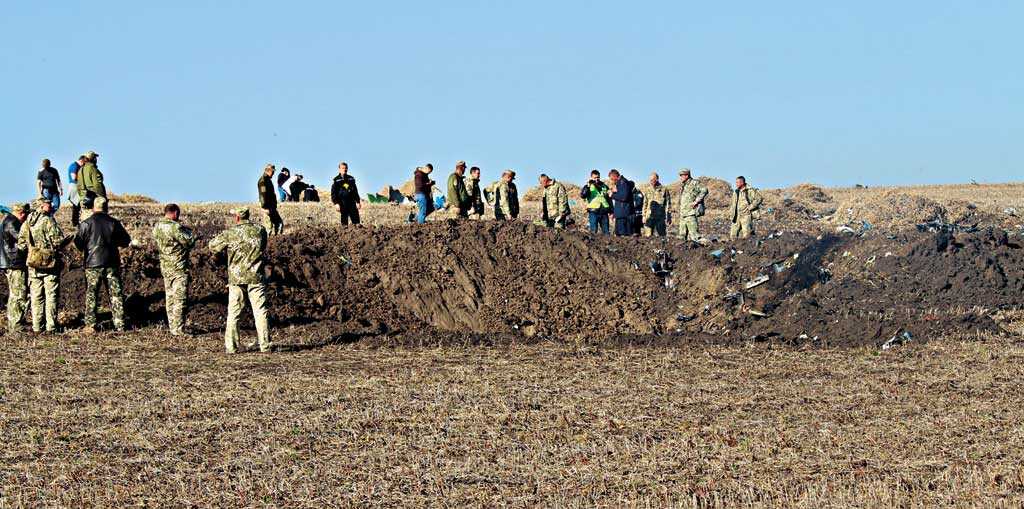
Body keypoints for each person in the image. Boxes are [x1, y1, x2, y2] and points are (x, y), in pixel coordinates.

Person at [208, 207, 272, 353]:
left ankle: (231, 347)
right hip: (256, 276)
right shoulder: (260, 230)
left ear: (237, 217)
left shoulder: (230, 233)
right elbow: (263, 246)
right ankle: (265, 345)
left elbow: (212, 245)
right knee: (261, 311)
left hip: (236, 278)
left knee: (234, 312)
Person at [74, 197, 132, 333]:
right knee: (116, 294)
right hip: (112, 263)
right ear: (106, 208)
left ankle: (90, 324)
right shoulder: (114, 223)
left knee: (92, 294)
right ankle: (120, 324)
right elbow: (125, 241)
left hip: (93, 264)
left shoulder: (86, 224)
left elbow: (78, 243)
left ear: (94, 207)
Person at [17, 199, 67, 333]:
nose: (50, 205)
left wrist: (31, 249)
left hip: (33, 264)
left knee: (36, 296)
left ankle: (37, 326)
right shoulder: (48, 220)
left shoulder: (27, 222)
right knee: (51, 295)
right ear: (41, 206)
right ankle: (51, 326)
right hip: (49, 264)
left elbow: (21, 245)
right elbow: (58, 241)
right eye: (48, 203)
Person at [152, 203, 196, 336]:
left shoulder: (157, 226)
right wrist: (190, 233)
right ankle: (178, 329)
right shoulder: (176, 227)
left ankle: (172, 327)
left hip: (165, 268)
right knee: (180, 299)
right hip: (178, 268)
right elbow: (189, 242)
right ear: (175, 213)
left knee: (170, 298)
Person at [1, 203, 29, 334]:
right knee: (18, 295)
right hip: (15, 263)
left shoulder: (6, 220)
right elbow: (21, 239)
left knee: (14, 294)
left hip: (10, 262)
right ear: (22, 213)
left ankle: (14, 323)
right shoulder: (12, 222)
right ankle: (16, 325)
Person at [676, 168, 708, 241]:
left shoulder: (694, 183)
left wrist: (696, 201)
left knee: (695, 236)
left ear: (687, 175)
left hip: (690, 213)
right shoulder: (683, 186)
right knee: (681, 237)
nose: (680, 177)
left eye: (682, 175)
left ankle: (705, 248)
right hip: (683, 214)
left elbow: (704, 190)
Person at [77, 151, 106, 222]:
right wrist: (102, 198)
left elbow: (79, 186)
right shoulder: (93, 169)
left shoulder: (80, 170)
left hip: (83, 199)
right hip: (94, 200)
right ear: (93, 159)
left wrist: (82, 197)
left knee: (85, 221)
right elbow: (97, 185)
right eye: (95, 157)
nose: (96, 159)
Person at [580, 170, 611, 234]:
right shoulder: (588, 186)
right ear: (591, 177)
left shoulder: (604, 186)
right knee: (593, 231)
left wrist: (611, 210)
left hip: (604, 211)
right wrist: (588, 186)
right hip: (594, 211)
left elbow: (608, 198)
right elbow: (583, 195)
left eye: (598, 177)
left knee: (606, 232)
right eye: (595, 178)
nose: (597, 179)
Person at [641, 172, 671, 237]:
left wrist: (669, 216)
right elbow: (645, 203)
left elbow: (668, 204)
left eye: (652, 179)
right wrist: (643, 216)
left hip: (660, 217)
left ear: (657, 179)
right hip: (649, 217)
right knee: (648, 236)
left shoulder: (664, 189)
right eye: (650, 180)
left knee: (662, 236)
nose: (651, 181)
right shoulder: (647, 190)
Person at [257, 164, 284, 235]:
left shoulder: (268, 180)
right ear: (268, 171)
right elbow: (263, 195)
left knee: (279, 224)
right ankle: (269, 243)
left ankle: (277, 241)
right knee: (269, 228)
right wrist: (264, 207)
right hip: (267, 207)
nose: (274, 173)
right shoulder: (263, 181)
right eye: (273, 172)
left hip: (272, 207)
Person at [608, 169, 635, 236]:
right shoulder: (620, 183)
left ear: (615, 176)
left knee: (623, 235)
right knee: (620, 235)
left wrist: (612, 195)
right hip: (621, 213)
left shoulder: (623, 182)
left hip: (623, 214)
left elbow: (624, 197)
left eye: (611, 179)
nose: (611, 181)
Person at [66, 155, 87, 226]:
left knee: (77, 206)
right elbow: (73, 177)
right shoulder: (74, 166)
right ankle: (75, 222)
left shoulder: (77, 166)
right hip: (74, 186)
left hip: (76, 186)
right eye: (84, 163)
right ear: (81, 161)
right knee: (76, 205)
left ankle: (76, 222)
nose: (84, 165)